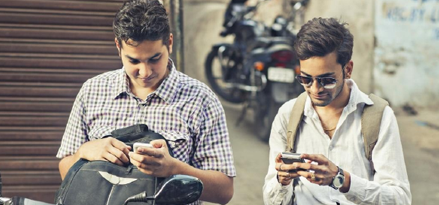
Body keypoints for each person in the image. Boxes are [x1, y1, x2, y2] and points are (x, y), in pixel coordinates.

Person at [56, 0, 235, 204]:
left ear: (169, 42)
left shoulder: (201, 99)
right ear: (118, 46)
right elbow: (65, 171)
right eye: (134, 61)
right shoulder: (92, 91)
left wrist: (173, 169)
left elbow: (224, 191)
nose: (145, 72)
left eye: (154, 58)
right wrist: (84, 151)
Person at [263, 17, 411, 204]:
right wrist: (281, 181)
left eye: (327, 80)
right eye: (306, 79)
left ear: (347, 69)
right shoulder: (288, 115)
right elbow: (271, 200)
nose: (315, 89)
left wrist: (342, 180)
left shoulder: (379, 117)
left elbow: (400, 199)